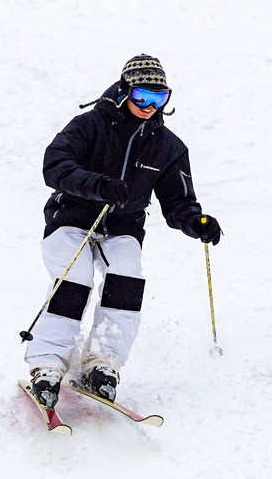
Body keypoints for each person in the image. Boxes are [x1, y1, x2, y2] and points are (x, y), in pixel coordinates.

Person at [23, 54, 222, 408]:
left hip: (122, 227)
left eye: (159, 99)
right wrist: (96, 185)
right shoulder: (89, 126)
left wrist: (195, 221)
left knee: (127, 279)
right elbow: (54, 166)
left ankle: (103, 363)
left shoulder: (169, 147)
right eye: (142, 96)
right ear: (124, 90)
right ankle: (47, 363)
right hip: (71, 218)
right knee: (76, 280)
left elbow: (178, 201)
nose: (149, 106)